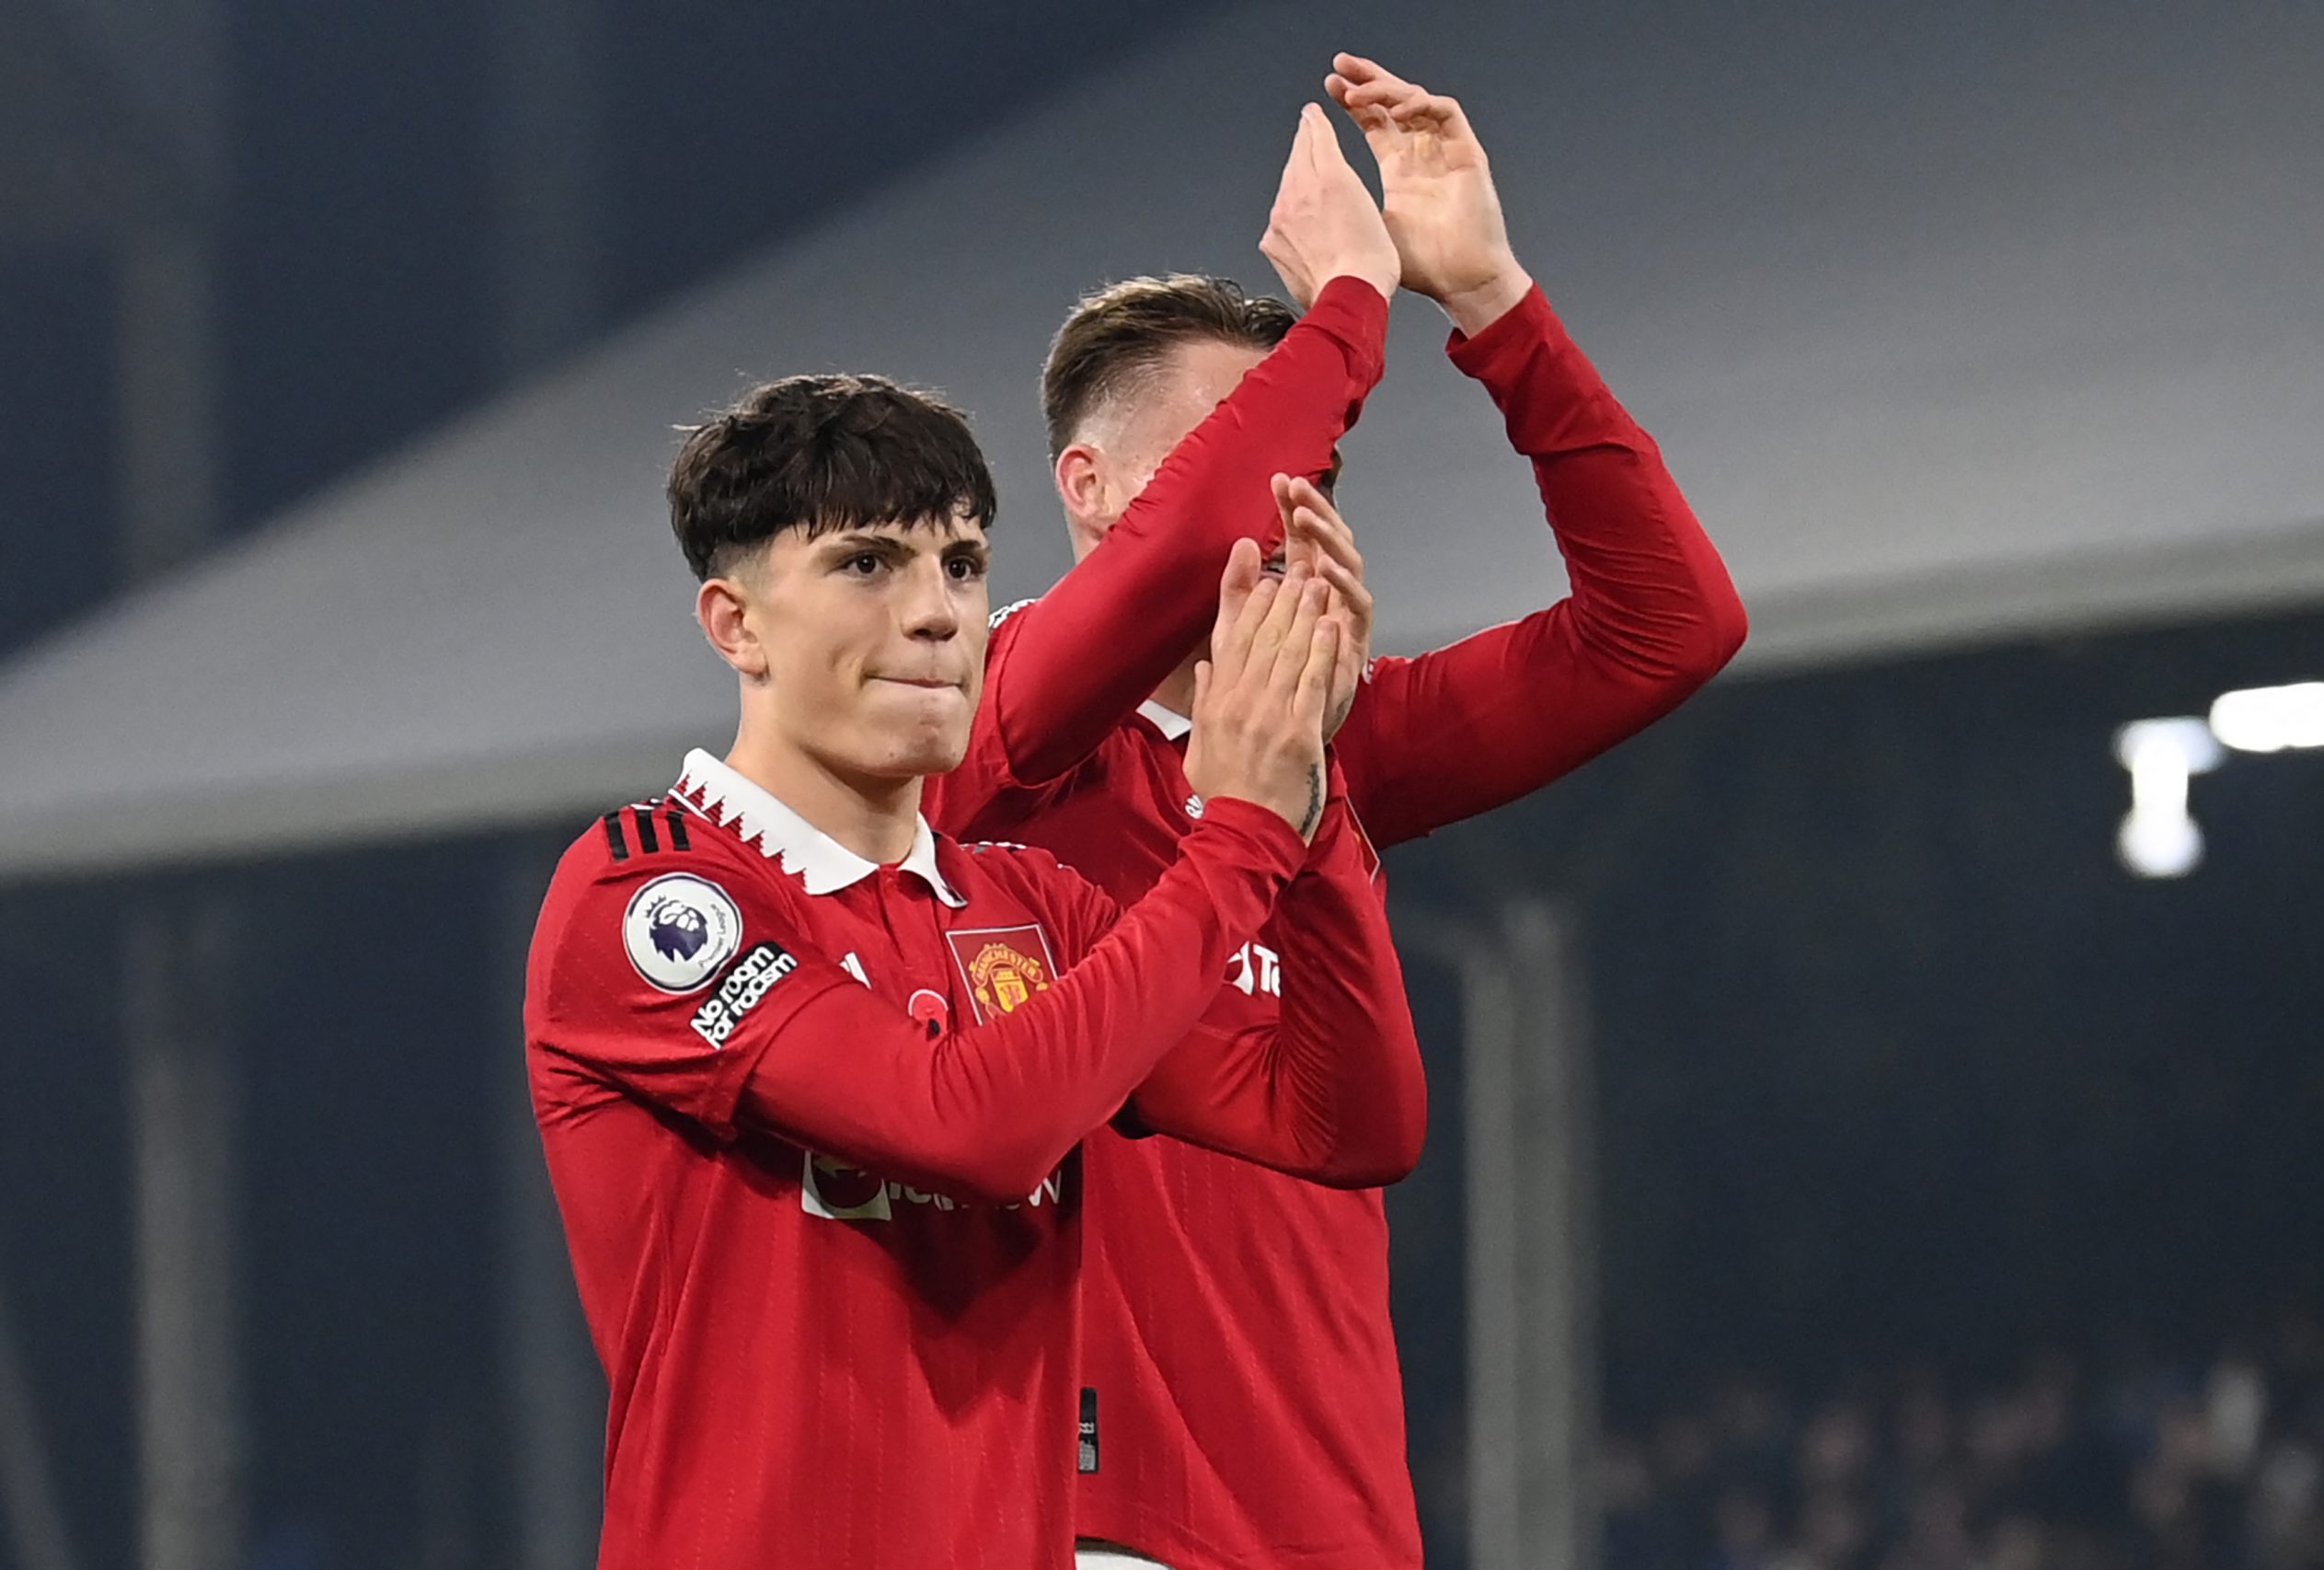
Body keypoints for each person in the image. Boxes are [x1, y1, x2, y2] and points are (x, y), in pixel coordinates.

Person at [928, 56, 1750, 1569]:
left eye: (1316, 451)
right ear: (1092, 486)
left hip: (1337, 1526)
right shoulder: (985, 730)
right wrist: (1350, 315)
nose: (1296, 474)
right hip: (1093, 1525)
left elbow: (1667, 628)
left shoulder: (1342, 748)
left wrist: (1492, 302)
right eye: (1254, 435)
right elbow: (1191, 541)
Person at [522, 369, 1425, 1566]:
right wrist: (1240, 834)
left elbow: (1345, 1121)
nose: (940, 614)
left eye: (961, 565)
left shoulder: (1030, 906)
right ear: (735, 623)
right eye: (865, 564)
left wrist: (1311, 794)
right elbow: (965, 1125)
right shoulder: (649, 891)